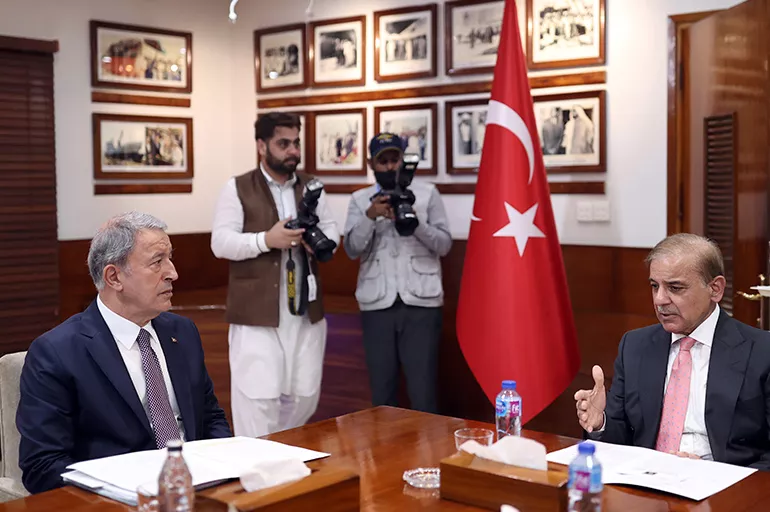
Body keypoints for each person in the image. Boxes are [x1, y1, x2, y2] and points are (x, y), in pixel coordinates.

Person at [17, 212, 232, 494]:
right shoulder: (56, 352)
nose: (173, 273)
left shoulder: (182, 332)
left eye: (170, 258)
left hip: (198, 489)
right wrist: (128, 490)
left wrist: (222, 469)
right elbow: (42, 467)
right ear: (114, 277)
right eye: (157, 262)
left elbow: (211, 418)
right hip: (116, 499)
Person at [575, 233, 770, 470]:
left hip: (724, 486)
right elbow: (621, 439)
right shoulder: (635, 346)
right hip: (645, 481)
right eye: (654, 286)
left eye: (675, 288)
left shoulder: (761, 351)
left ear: (715, 289)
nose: (659, 300)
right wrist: (601, 423)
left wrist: (715, 474)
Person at [211, 112, 339, 437]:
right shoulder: (237, 187)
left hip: (305, 311)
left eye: (296, 143)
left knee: (305, 395)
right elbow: (220, 242)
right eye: (284, 144)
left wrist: (319, 243)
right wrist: (266, 240)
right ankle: (257, 462)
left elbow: (332, 230)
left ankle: (283, 454)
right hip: (256, 313)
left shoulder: (312, 186)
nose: (293, 151)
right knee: (258, 399)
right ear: (261, 145)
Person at [344, 133, 452, 413]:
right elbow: (352, 249)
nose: (390, 166)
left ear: (403, 160)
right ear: (371, 164)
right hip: (377, 304)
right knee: (382, 392)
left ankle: (429, 443)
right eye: (383, 161)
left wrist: (415, 223)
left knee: (423, 389)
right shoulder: (359, 200)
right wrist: (370, 217)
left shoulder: (427, 194)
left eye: (395, 159)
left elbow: (443, 245)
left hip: (421, 303)